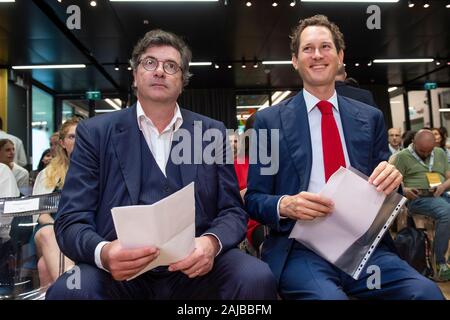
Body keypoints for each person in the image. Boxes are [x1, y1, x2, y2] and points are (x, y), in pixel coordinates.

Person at [46, 29, 276, 300]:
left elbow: (232, 210)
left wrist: (210, 244)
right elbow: (71, 219)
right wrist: (104, 253)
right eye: (149, 63)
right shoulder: (95, 133)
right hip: (118, 274)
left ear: (182, 80)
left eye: (171, 66)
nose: (159, 72)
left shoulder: (210, 133)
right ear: (134, 75)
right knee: (68, 291)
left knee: (256, 277)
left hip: (196, 269)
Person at [245, 15, 443, 300]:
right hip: (301, 249)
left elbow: (390, 192)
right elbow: (254, 198)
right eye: (307, 49)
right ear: (294, 60)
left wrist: (393, 181)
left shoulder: (370, 118)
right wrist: (285, 204)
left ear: (339, 57)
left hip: (365, 250)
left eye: (325, 47)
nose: (317, 55)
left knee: (425, 293)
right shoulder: (268, 121)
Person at [392, 129, 450, 281]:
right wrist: (405, 190)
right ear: (413, 143)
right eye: (422, 151)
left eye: (428, 151)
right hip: (417, 198)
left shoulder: (439, 153)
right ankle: (439, 262)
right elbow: (395, 185)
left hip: (440, 193)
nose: (425, 154)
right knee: (445, 211)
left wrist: (443, 186)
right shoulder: (402, 156)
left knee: (444, 206)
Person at [32, 118, 79, 287]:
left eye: (81, 136)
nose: (78, 141)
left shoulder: (98, 169)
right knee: (48, 234)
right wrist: (61, 228)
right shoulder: (48, 173)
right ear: (62, 142)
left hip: (81, 230)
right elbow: (41, 215)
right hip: (51, 228)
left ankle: (66, 292)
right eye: (72, 137)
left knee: (44, 266)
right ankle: (72, 293)